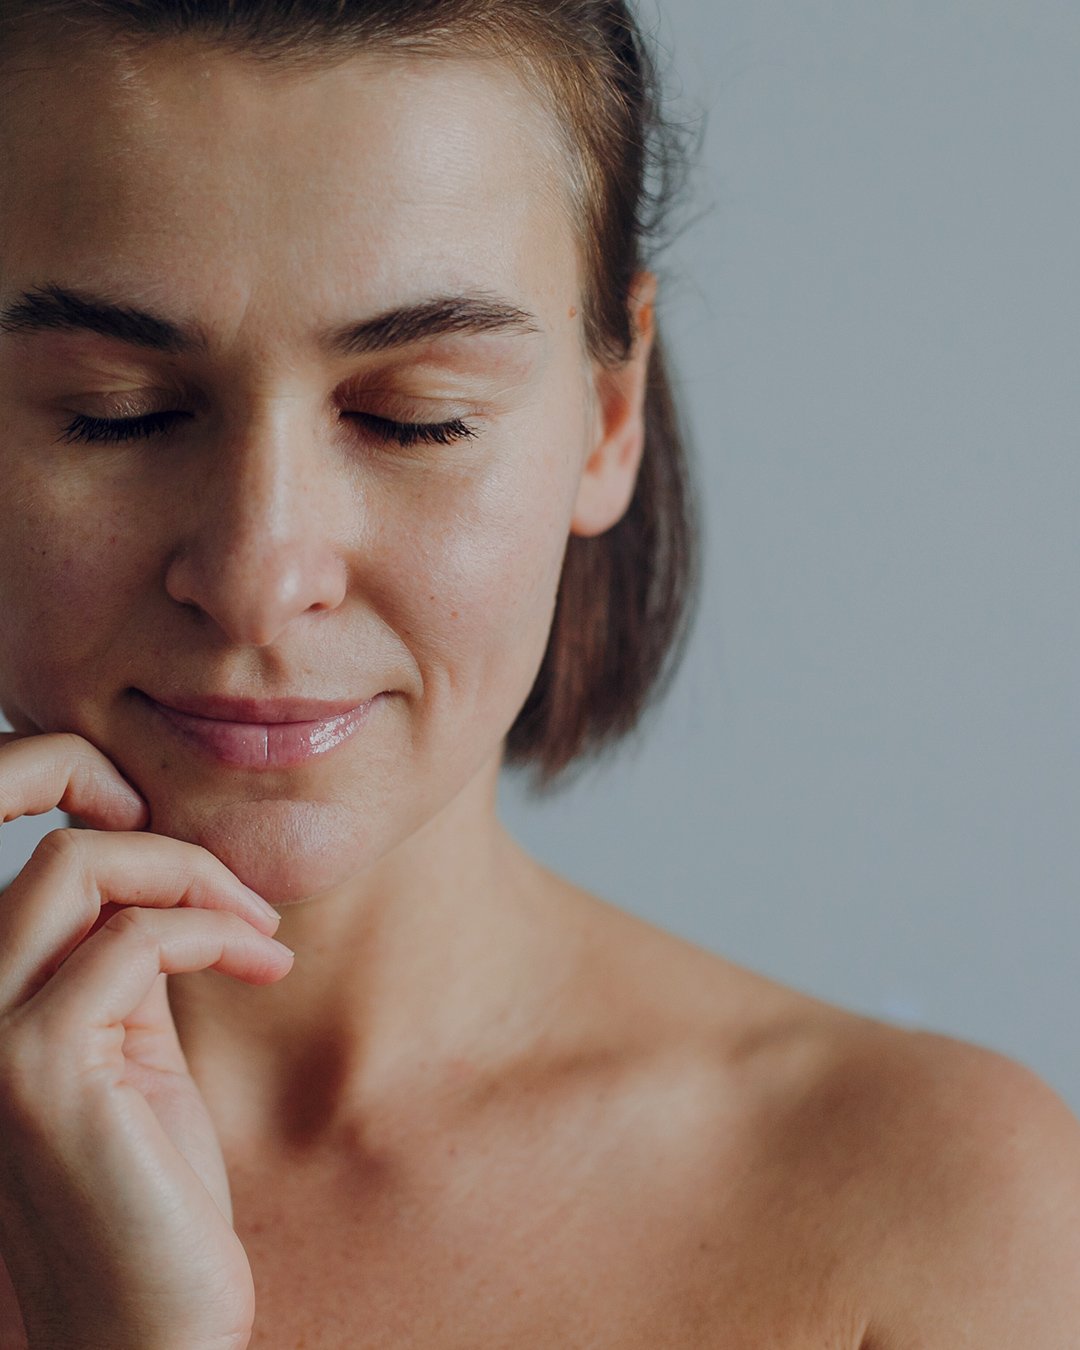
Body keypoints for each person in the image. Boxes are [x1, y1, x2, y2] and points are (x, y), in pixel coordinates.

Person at [0, 1, 1077, 1346]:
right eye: (117, 408)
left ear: (606, 418)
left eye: (415, 418)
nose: (261, 571)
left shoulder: (948, 1216)